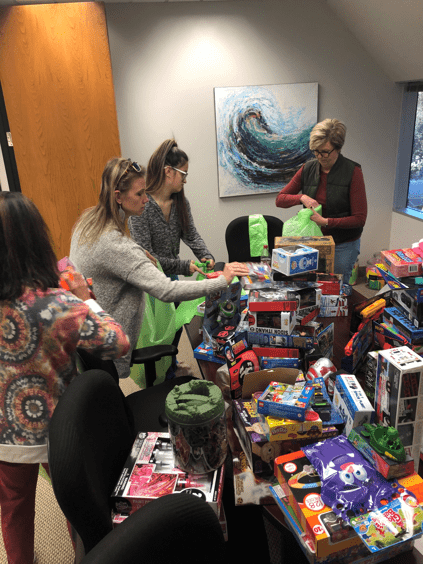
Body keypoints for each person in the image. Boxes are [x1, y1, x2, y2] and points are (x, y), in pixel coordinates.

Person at [0, 192, 130, 564]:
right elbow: (117, 342)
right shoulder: (57, 303)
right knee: (78, 501)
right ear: (36, 241)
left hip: (5, 434)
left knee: (14, 509)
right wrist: (85, 298)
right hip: (61, 433)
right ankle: (83, 555)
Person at [69, 157, 249, 379]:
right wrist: (223, 280)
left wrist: (135, 251)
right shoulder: (116, 245)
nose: (146, 199)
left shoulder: (88, 221)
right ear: (118, 196)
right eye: (139, 194)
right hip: (108, 349)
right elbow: (167, 290)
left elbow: (109, 258)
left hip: (86, 338)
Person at [275, 119, 367, 294]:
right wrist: (301, 197)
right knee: (309, 289)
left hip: (343, 244)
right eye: (316, 152)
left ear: (338, 148)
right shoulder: (308, 168)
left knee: (336, 291)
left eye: (325, 152)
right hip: (312, 242)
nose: (319, 157)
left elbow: (360, 219)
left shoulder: (353, 172)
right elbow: (280, 199)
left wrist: (325, 221)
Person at [129, 139, 216, 277]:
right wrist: (182, 266)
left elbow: (191, 235)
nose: (185, 180)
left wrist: (205, 255)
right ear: (168, 171)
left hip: (171, 277)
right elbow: (147, 256)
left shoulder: (181, 203)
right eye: (183, 174)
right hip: (148, 281)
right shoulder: (142, 206)